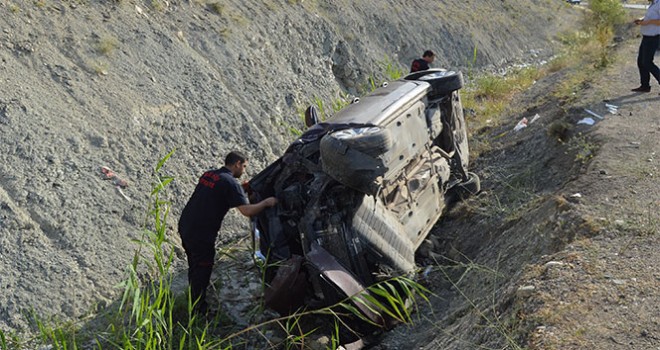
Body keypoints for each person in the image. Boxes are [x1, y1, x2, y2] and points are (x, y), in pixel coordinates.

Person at [178, 151, 278, 314]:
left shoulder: (209, 174)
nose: (244, 170)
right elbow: (246, 211)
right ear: (237, 163)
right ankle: (199, 310)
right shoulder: (230, 183)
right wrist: (267, 202)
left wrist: (240, 190)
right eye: (244, 166)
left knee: (194, 264)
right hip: (202, 233)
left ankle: (193, 298)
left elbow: (217, 193)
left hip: (186, 225)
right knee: (203, 267)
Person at [631, 0, 660, 93]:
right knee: (641, 62)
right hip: (647, 37)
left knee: (647, 62)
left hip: (654, 37)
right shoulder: (653, 4)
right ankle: (645, 86)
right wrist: (641, 20)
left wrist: (648, 22)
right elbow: (650, 17)